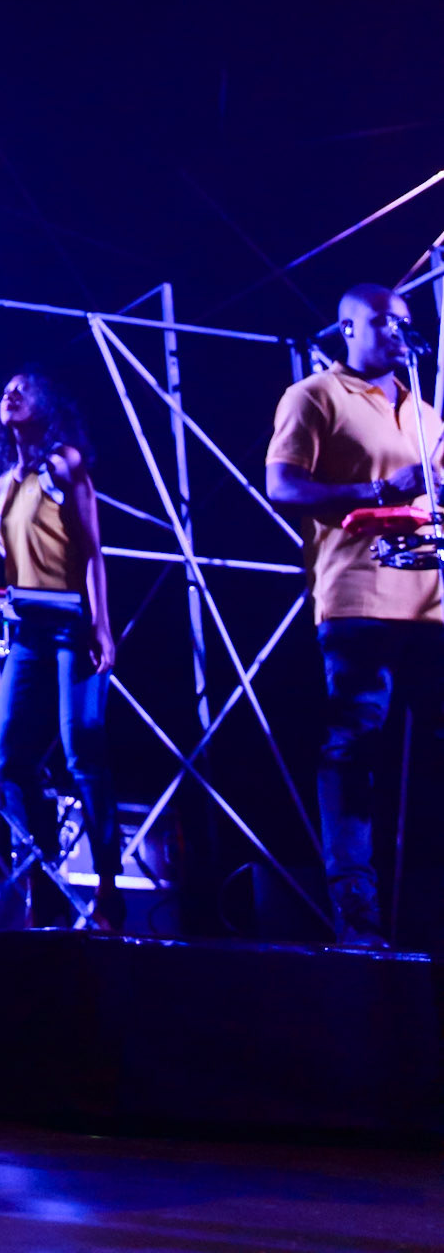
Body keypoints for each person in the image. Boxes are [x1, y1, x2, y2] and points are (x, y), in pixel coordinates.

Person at [266, 284, 444, 949]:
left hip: (431, 601)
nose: (398, 332)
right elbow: (281, 485)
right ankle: (356, 915)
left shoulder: (426, 411)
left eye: (403, 322)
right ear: (347, 328)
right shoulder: (315, 395)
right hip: (357, 597)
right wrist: (375, 490)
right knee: (352, 747)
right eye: (381, 322)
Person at [0, 371, 121, 933]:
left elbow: (92, 552)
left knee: (81, 751)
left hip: (71, 621)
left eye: (24, 389)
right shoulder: (4, 482)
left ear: (48, 404)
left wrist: (102, 627)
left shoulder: (63, 464)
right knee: (8, 759)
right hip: (27, 630)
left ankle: (109, 889)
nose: (10, 394)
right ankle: (45, 880)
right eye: (5, 389)